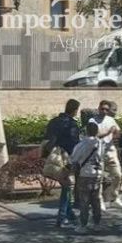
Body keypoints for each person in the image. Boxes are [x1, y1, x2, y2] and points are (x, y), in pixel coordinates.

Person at [43, 98, 82, 228]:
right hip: (66, 158)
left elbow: (47, 139)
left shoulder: (53, 121)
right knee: (67, 186)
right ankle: (62, 217)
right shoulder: (72, 125)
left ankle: (69, 213)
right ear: (75, 110)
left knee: (66, 186)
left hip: (53, 156)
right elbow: (74, 144)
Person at [68, 121, 107, 233]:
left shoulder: (81, 144)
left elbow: (74, 158)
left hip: (85, 174)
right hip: (97, 174)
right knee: (96, 199)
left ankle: (83, 225)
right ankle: (97, 223)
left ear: (86, 131)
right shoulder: (100, 144)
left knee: (84, 200)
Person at [93, 100, 122, 212]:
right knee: (99, 178)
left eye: (107, 109)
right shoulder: (92, 120)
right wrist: (107, 133)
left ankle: (114, 197)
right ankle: (100, 200)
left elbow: (117, 132)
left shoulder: (111, 120)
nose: (104, 111)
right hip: (98, 151)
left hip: (110, 150)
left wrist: (117, 133)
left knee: (118, 174)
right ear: (98, 108)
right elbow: (93, 135)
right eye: (102, 109)